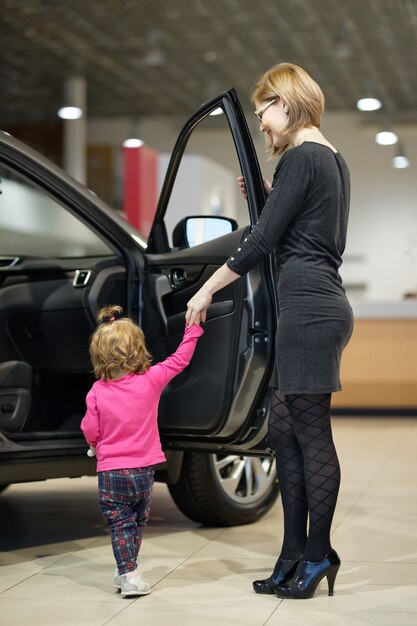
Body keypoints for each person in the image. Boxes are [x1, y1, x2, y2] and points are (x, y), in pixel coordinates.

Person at [185, 62, 353, 600]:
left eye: (264, 114)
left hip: (308, 308)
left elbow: (259, 244)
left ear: (288, 101)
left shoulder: (302, 157)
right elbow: (305, 227)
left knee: (310, 435)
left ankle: (319, 552)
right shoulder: (330, 159)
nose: (262, 125)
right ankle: (291, 552)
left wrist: (207, 288)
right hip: (314, 304)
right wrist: (267, 191)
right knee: (283, 433)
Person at [81, 305, 204, 597]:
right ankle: (128, 571)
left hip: (111, 472)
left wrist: (94, 445)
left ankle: (127, 572)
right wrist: (193, 329)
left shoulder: (97, 390)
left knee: (119, 522)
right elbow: (180, 360)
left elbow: (89, 427)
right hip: (144, 471)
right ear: (138, 349)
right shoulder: (151, 379)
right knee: (138, 520)